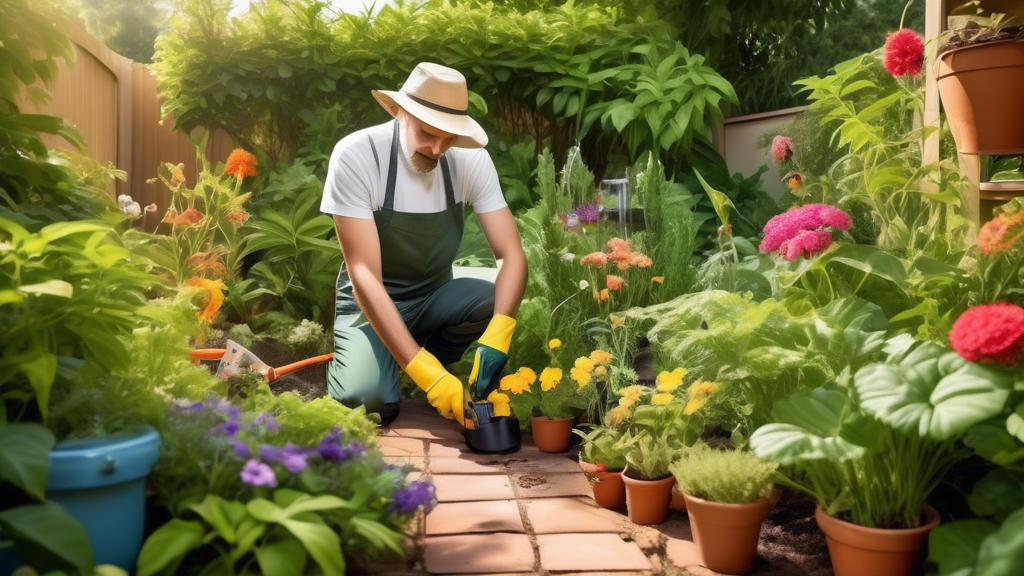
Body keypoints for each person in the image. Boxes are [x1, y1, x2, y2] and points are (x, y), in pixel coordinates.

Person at [320, 62, 527, 427]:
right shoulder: (357, 156)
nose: (436, 148)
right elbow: (364, 273)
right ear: (400, 111)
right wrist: (421, 370)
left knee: (494, 301)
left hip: (433, 298)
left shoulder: (470, 159)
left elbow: (511, 255)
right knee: (366, 403)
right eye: (427, 134)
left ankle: (426, 357)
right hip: (370, 302)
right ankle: (387, 360)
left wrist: (500, 331)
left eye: (449, 138)